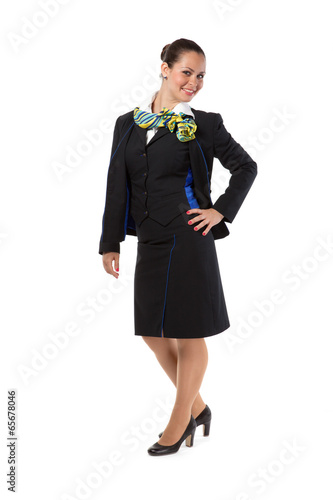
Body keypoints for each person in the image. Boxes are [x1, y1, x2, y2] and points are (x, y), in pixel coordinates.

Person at [99, 38, 257, 456]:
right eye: (187, 71)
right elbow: (117, 185)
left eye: (201, 75)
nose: (195, 82)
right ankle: (200, 407)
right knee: (152, 332)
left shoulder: (205, 124)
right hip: (150, 239)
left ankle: (179, 418)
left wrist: (220, 210)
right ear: (164, 68)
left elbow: (246, 166)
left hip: (189, 238)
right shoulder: (126, 124)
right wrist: (110, 241)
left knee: (187, 332)